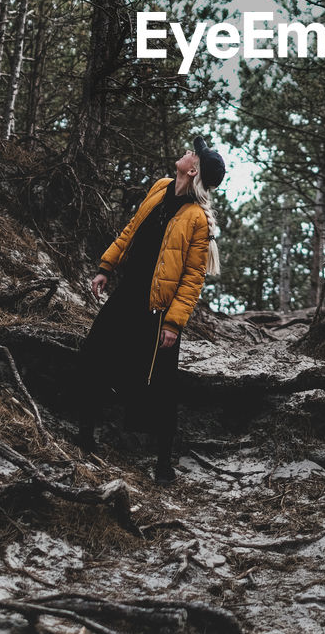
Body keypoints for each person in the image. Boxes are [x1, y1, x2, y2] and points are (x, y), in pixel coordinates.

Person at [76, 134, 225, 485]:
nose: (188, 152)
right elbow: (130, 231)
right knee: (92, 354)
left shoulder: (197, 220)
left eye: (193, 154)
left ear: (194, 169)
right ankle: (84, 438)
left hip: (158, 311)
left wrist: (174, 324)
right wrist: (105, 267)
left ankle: (162, 465)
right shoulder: (160, 186)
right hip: (127, 294)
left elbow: (192, 278)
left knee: (161, 386)